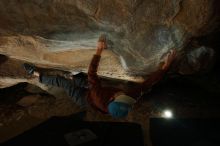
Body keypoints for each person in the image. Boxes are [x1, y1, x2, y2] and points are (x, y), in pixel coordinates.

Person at [23, 35, 176, 118]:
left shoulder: (98, 96)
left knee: (63, 82)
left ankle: (37, 75)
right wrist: (164, 68)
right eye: (126, 98)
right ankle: (73, 77)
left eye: (120, 96)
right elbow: (147, 85)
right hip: (96, 93)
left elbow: (92, 72)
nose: (123, 93)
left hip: (85, 99)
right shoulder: (129, 98)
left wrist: (98, 51)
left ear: (112, 99)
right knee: (82, 80)